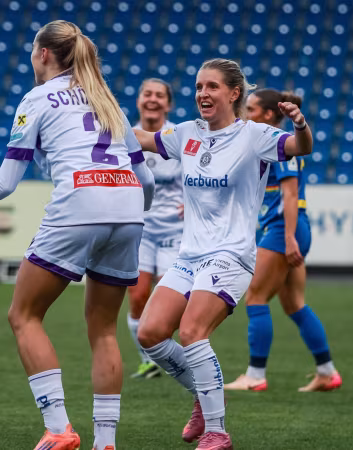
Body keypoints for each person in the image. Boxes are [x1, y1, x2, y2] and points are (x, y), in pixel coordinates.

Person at [0, 20, 156, 450]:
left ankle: (60, 428)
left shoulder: (37, 98)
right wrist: (132, 212)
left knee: (23, 315)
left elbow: (7, 181)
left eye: (32, 50)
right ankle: (106, 443)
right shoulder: (109, 100)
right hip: (129, 209)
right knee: (103, 330)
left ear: (44, 54)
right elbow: (146, 179)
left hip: (79, 206)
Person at [132, 58, 313, 450]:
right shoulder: (185, 134)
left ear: (234, 93)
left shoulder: (255, 135)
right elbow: (141, 139)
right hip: (190, 254)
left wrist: (300, 123)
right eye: (199, 87)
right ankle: (206, 392)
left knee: (192, 332)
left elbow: (301, 147)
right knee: (149, 334)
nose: (202, 94)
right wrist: (99, 123)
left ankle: (217, 431)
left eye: (212, 86)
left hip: (232, 255)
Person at [224, 89, 341, 392]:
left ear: (266, 114)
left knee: (256, 297)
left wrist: (288, 238)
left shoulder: (279, 144)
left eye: (249, 108)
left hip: (283, 229)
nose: (244, 112)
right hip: (288, 228)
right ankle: (327, 371)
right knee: (294, 305)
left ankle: (255, 375)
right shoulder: (265, 142)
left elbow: (290, 194)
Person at [125, 78, 182, 379]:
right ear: (139, 100)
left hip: (175, 230)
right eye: (147, 93)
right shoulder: (125, 136)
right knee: (137, 298)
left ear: (168, 104)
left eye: (160, 95)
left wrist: (192, 203)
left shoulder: (178, 136)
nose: (153, 99)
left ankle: (166, 355)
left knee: (167, 302)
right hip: (140, 230)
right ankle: (147, 361)